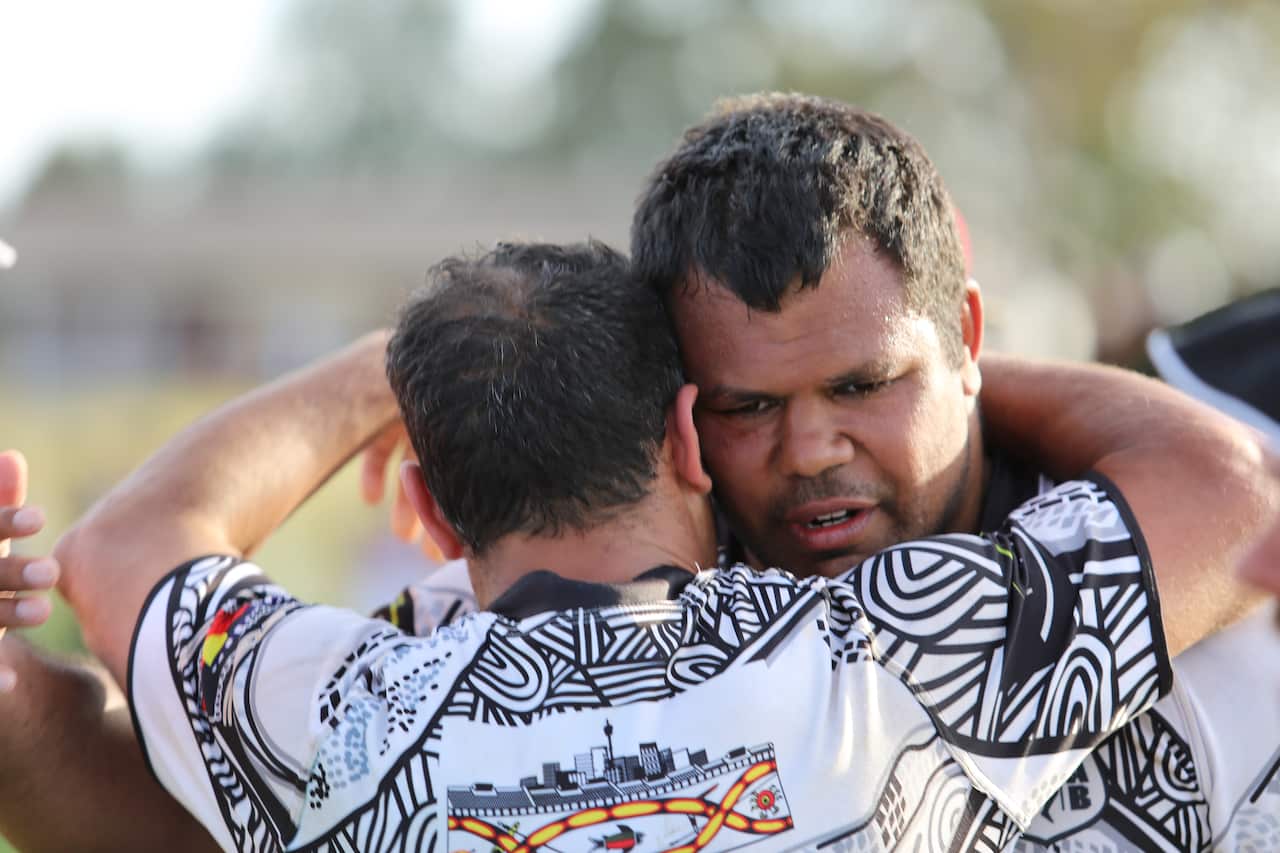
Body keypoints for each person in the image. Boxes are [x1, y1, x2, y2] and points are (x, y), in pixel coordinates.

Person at [51, 241, 1266, 851]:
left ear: (427, 500)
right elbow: (1218, 485)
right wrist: (931, 373)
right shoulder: (882, 654)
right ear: (689, 433)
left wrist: (396, 365)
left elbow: (123, 547)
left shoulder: (341, 716)